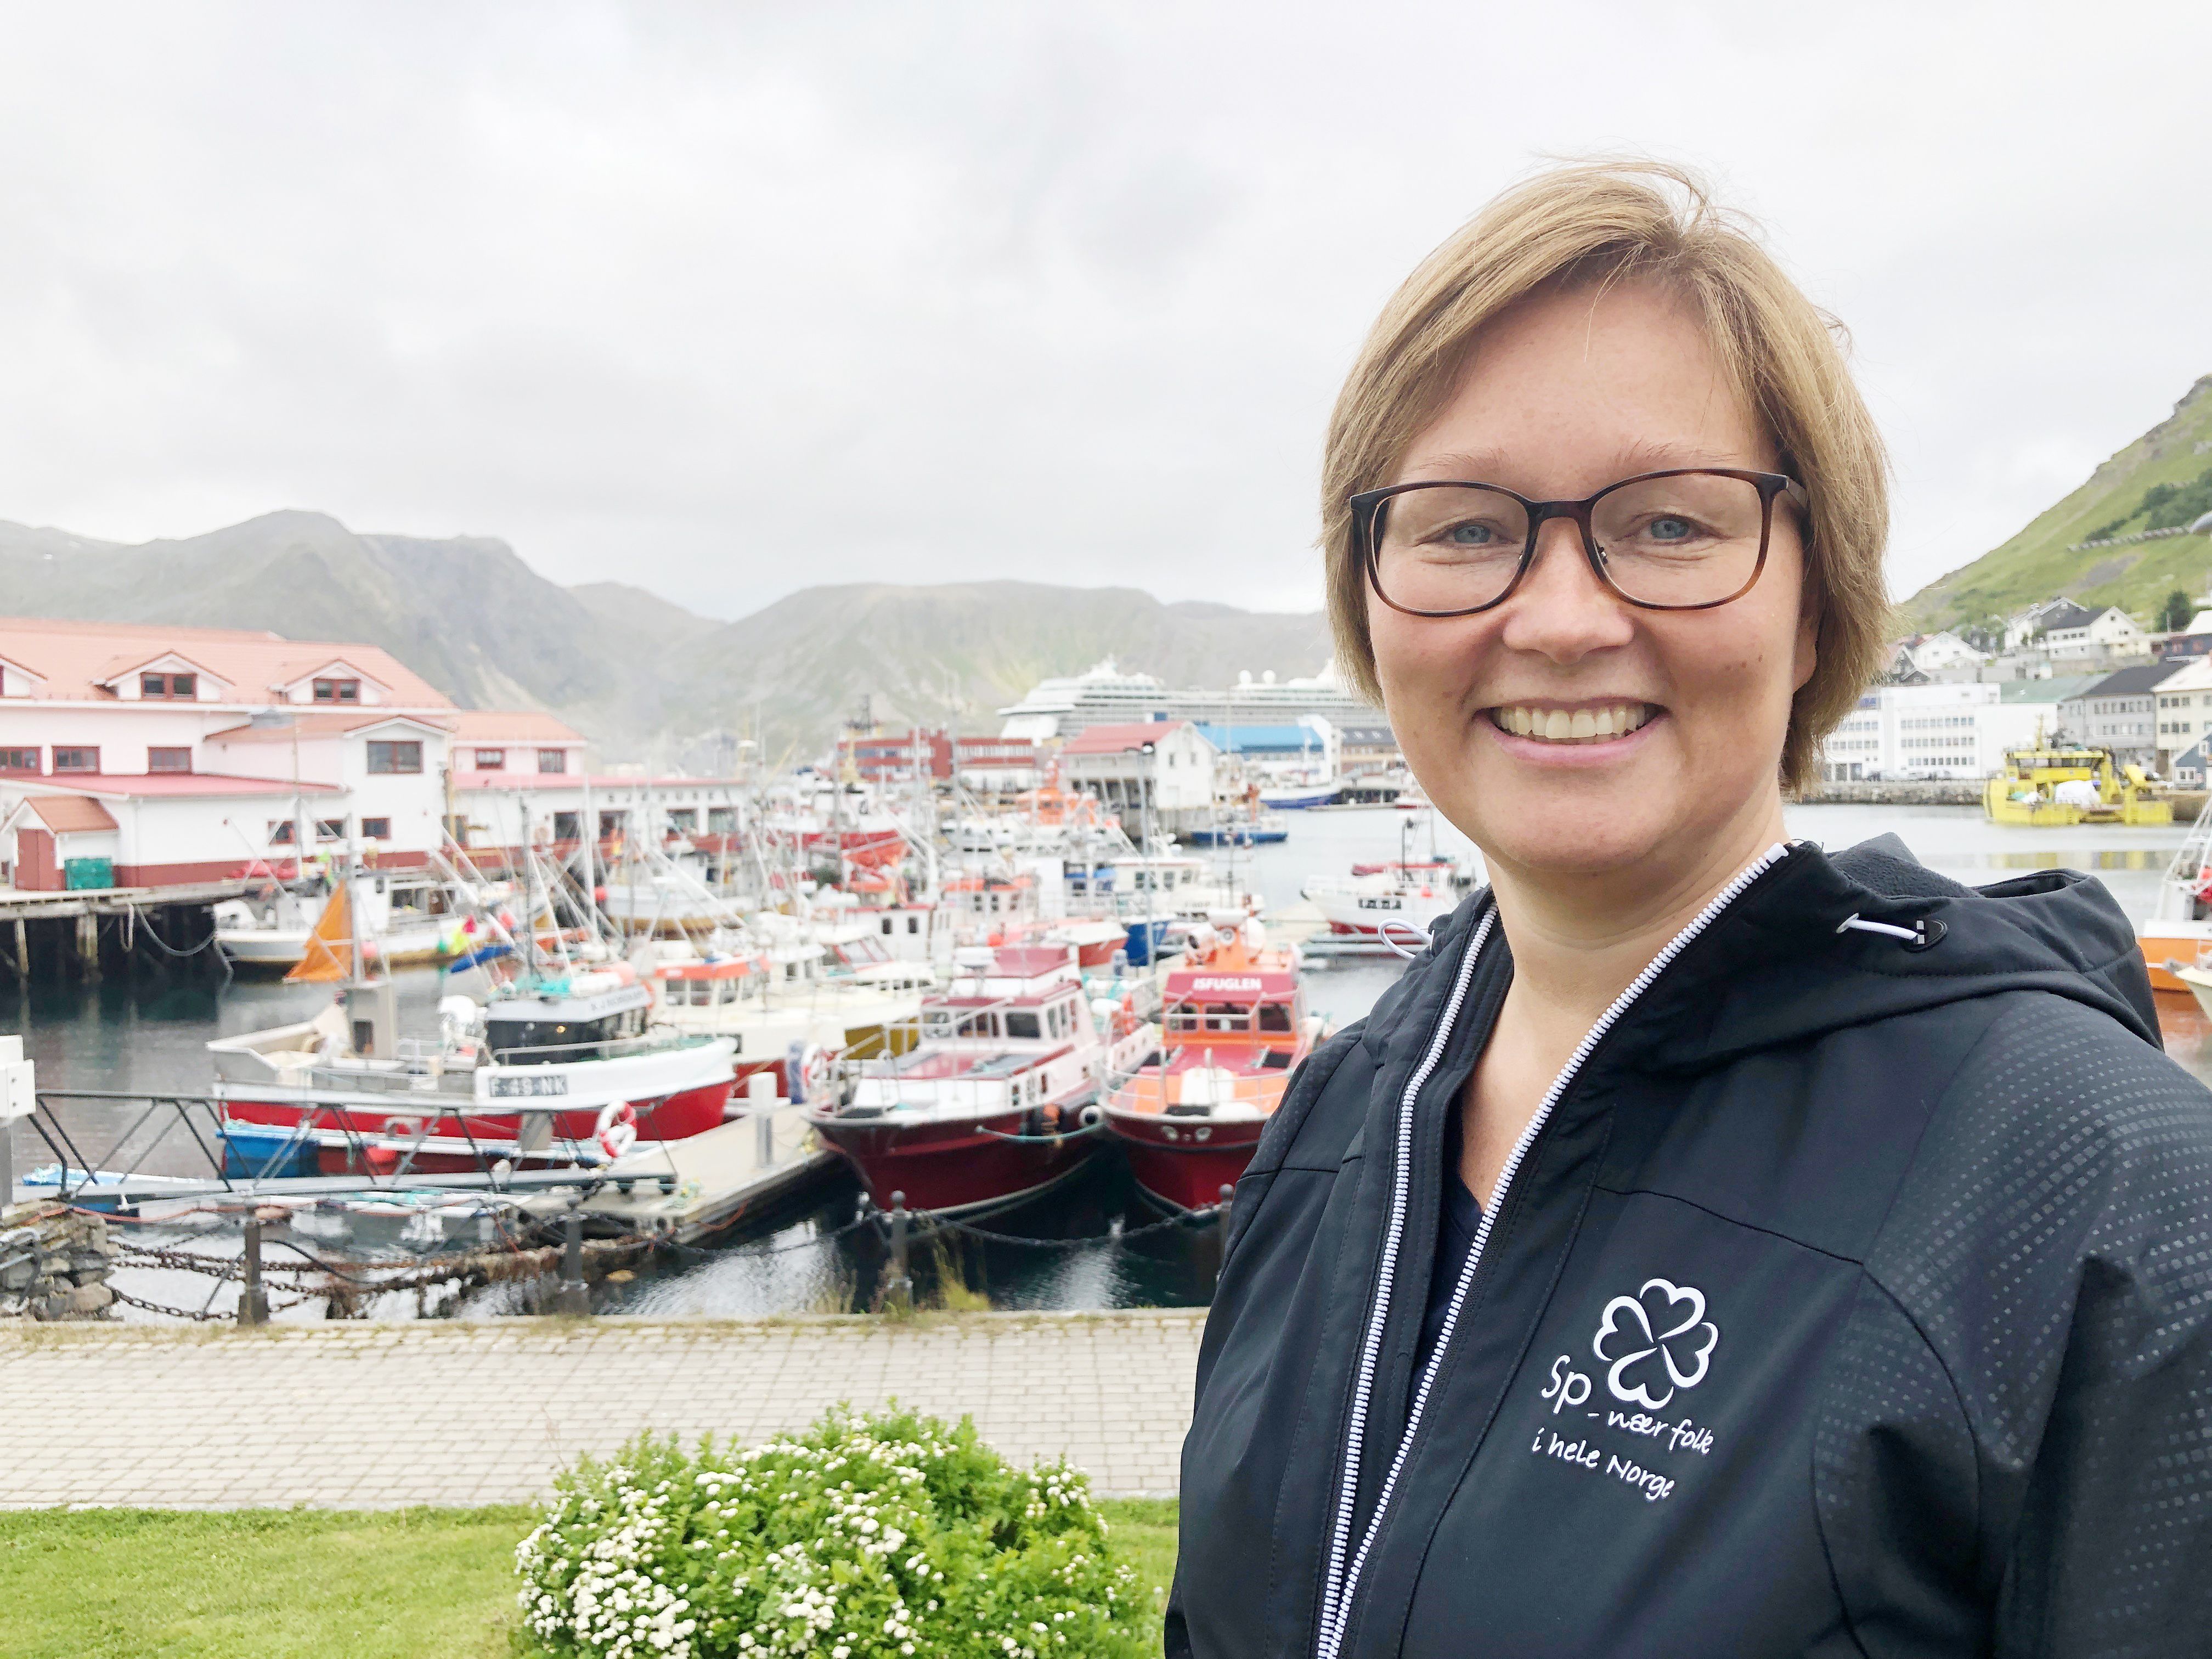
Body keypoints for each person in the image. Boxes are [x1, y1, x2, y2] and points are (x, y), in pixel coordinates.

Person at [1169, 161, 2212, 1657]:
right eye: (1464, 529)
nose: (1562, 618)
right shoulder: (1345, 1116)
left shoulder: (2113, 1202)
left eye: (1670, 525)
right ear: (1370, 602)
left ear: (1815, 606)